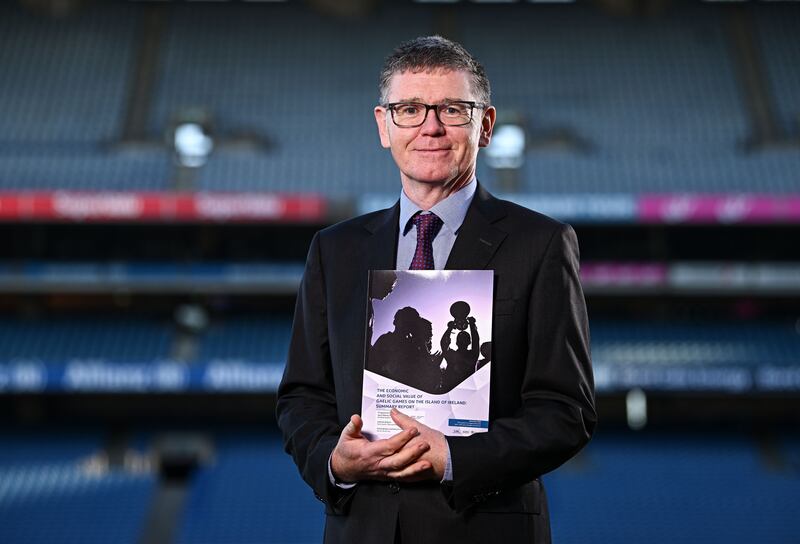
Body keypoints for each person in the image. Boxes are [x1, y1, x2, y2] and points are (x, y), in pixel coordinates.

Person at [276, 35, 596, 543]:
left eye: (452, 108)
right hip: (363, 529)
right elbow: (302, 396)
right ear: (383, 125)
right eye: (409, 109)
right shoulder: (335, 250)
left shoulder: (542, 244)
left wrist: (455, 458)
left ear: (485, 125)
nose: (430, 126)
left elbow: (565, 412)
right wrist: (333, 459)